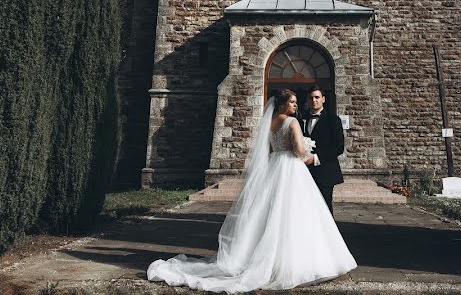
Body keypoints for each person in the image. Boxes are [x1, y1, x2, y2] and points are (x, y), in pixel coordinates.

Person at [146, 89, 357, 292]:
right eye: (292, 102)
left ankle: (263, 256)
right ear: (283, 104)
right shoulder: (292, 122)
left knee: (270, 212)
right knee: (294, 212)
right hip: (291, 167)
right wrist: (306, 150)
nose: (296, 105)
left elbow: (269, 149)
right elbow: (299, 151)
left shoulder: (271, 123)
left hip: (275, 165)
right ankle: (291, 262)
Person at [303, 86, 344, 214]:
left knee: (324, 207)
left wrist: (316, 158)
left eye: (317, 97)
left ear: (323, 99)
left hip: (326, 171)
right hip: (306, 173)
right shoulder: (302, 119)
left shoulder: (333, 120)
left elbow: (339, 147)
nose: (314, 100)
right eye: (311, 98)